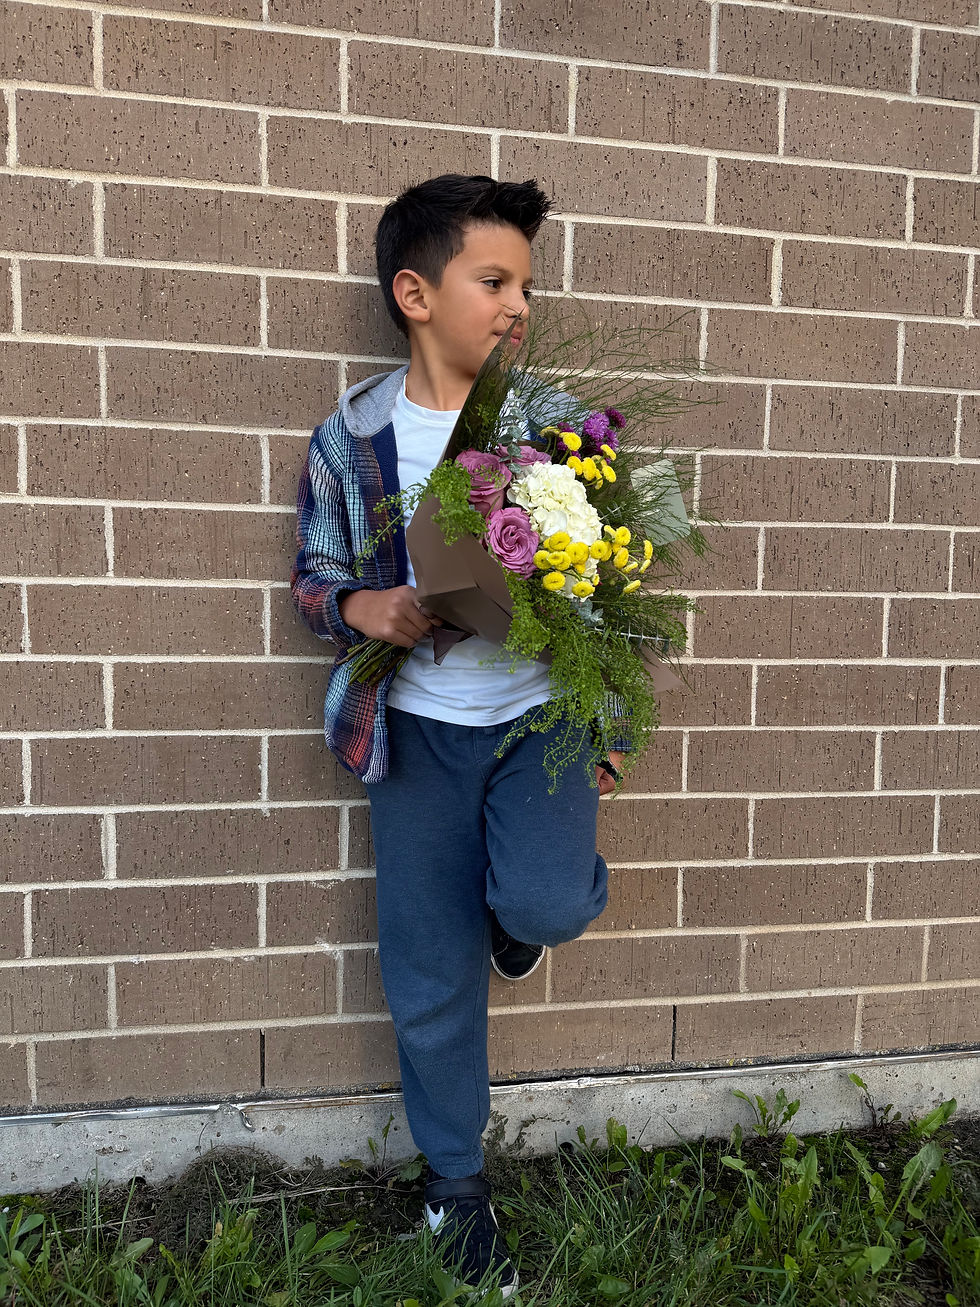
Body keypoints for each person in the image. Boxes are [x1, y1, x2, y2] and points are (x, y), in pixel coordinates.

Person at [291, 174, 626, 1299]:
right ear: (416, 293)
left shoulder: (558, 427)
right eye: (494, 280)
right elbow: (314, 577)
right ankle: (453, 1184)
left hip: (540, 719)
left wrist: (610, 731)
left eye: (526, 285)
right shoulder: (352, 439)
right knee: (428, 967)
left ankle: (514, 919)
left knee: (546, 900)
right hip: (417, 733)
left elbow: (618, 598)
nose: (518, 304)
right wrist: (363, 607)